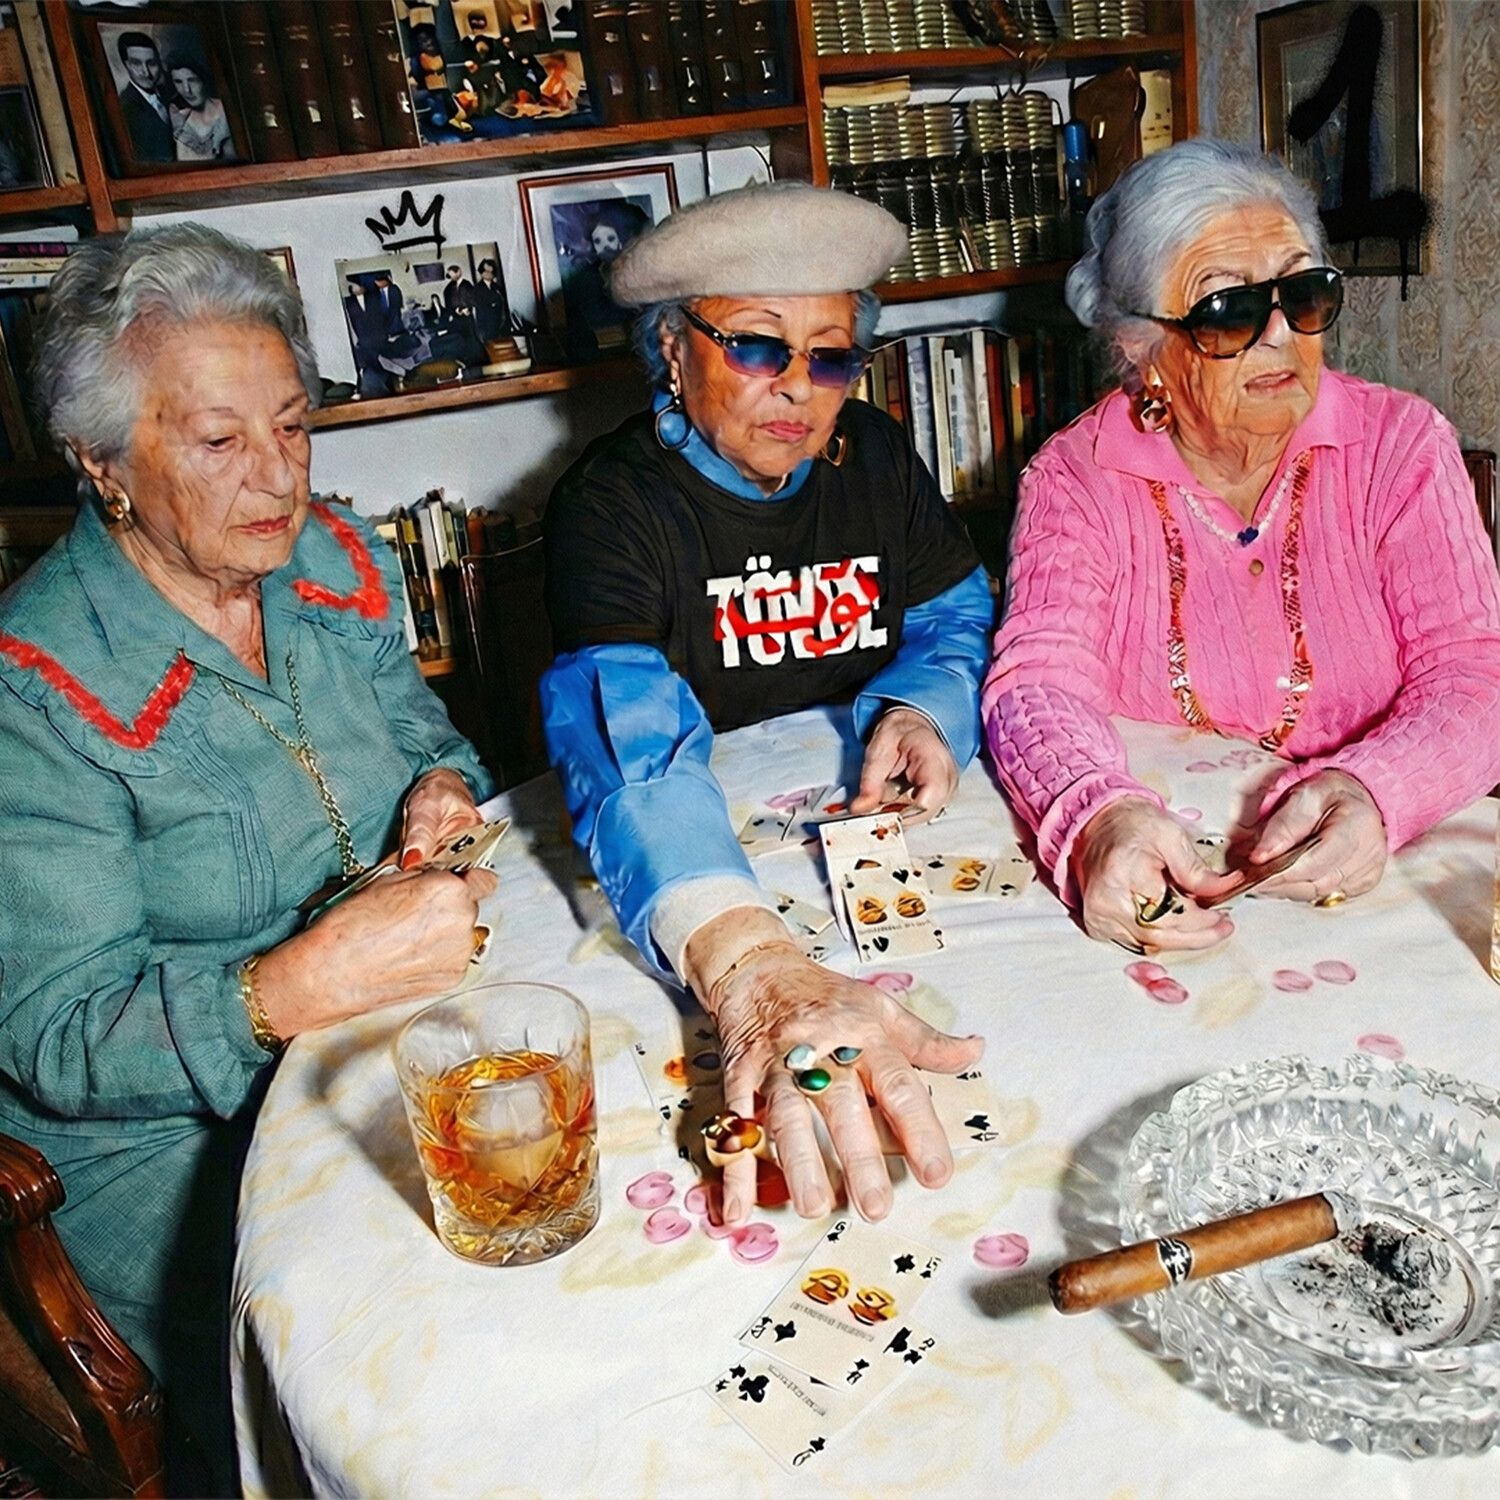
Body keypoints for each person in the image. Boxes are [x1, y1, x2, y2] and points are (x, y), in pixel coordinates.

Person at [0, 225, 495, 1492]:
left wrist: (443, 788)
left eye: (293, 425)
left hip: (376, 1028)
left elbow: (430, 738)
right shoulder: (30, 688)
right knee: (418, 1340)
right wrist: (294, 988)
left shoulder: (328, 558)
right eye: (220, 442)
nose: (279, 478)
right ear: (102, 463)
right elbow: (57, 1035)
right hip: (160, 1141)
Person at [542, 183, 995, 1231]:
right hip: (694, 863)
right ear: (672, 347)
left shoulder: (874, 453)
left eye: (830, 357)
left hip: (868, 844)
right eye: (756, 346)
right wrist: (748, 962)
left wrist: (924, 710)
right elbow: (628, 740)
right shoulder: (608, 505)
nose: (797, 387)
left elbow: (954, 618)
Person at [983, 140, 1500, 957]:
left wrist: (1379, 787)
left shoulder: (1402, 447)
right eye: (1228, 309)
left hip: (1390, 868)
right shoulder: (1076, 478)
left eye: (1303, 292)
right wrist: (1097, 813)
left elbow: (1476, 672)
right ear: (1139, 344)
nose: (1279, 334)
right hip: (1173, 882)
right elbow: (1038, 682)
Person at [114, 30, 174, 164]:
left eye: (151, 63)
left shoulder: (172, 91)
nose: (146, 72)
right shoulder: (125, 109)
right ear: (126, 65)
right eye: (136, 63)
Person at [167, 57, 233, 162]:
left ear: (203, 78)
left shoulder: (228, 111)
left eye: (192, 80)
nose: (186, 90)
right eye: (178, 82)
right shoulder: (181, 122)